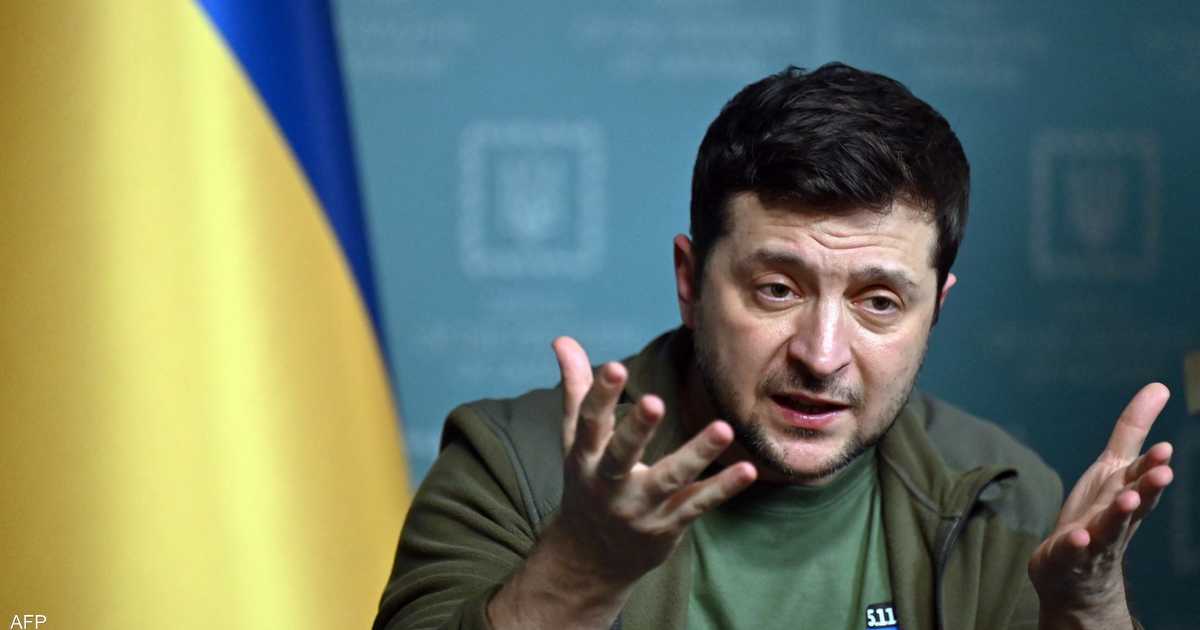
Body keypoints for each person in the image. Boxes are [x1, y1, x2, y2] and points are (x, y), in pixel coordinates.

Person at [373, 63, 1175, 630]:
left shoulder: (1003, 496)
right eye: (777, 290)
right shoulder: (513, 462)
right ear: (690, 281)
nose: (821, 356)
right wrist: (579, 575)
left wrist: (1087, 612)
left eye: (879, 303)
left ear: (936, 312)